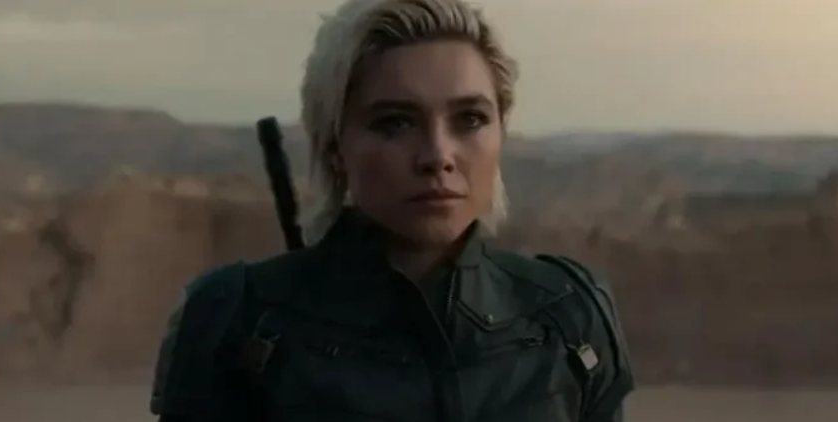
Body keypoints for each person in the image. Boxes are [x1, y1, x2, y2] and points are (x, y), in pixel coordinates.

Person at [149, 0, 634, 421]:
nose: (437, 155)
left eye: (470, 119)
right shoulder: (237, 321)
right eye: (395, 122)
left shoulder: (568, 315)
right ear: (336, 147)